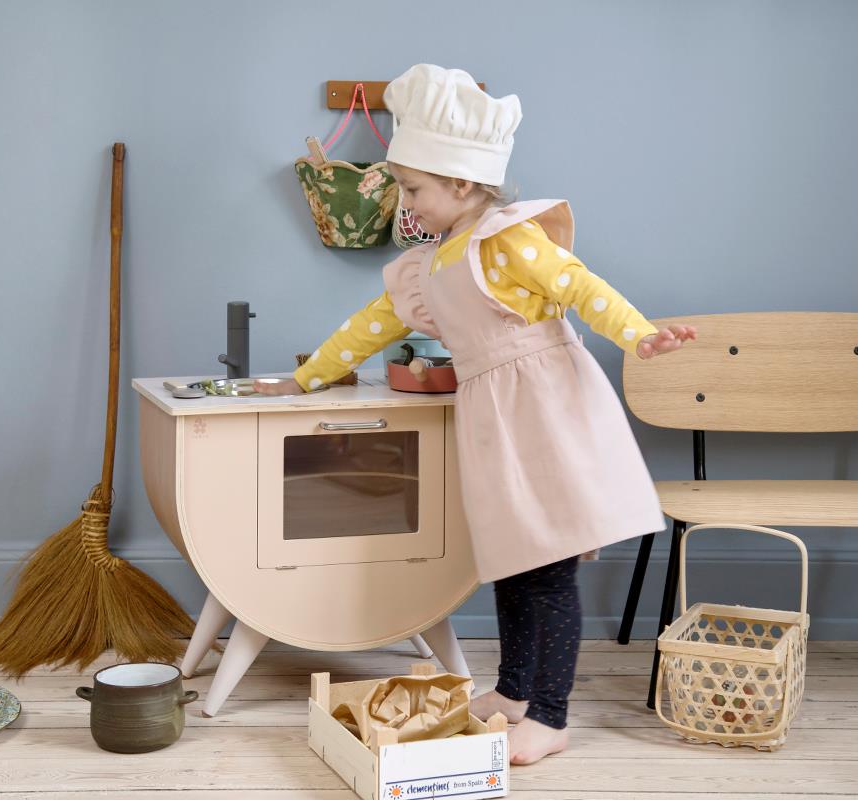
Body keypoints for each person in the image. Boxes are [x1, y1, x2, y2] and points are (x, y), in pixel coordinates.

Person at [256, 64, 696, 765]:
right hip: (495, 418)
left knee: (548, 567)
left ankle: (550, 716)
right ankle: (515, 693)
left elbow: (580, 287)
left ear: (462, 183)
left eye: (412, 188)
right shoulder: (428, 264)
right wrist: (308, 378)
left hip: (545, 414)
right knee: (514, 562)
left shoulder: (507, 239)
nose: (405, 202)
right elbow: (371, 323)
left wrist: (639, 334)